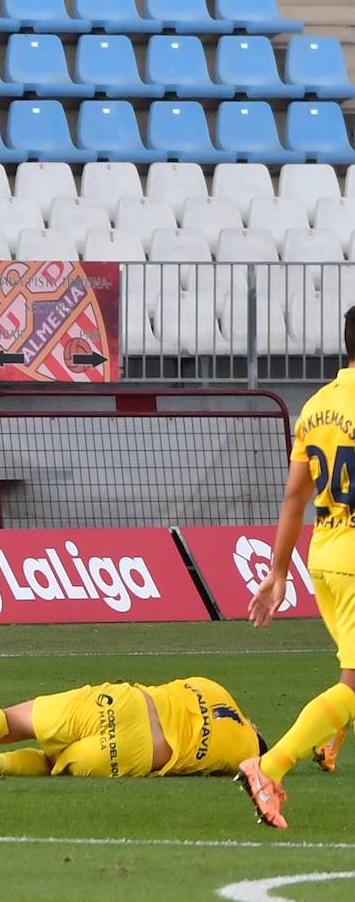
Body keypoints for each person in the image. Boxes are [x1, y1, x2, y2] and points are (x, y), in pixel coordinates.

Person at [238, 306, 355, 829]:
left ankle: (327, 743)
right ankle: (268, 768)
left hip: (326, 553)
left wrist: (278, 570)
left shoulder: (315, 407)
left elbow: (293, 498)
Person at [0, 676, 265, 779]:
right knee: (50, 765)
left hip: (122, 703)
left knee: (13, 721)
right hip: (134, 751)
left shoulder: (215, 687)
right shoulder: (243, 754)